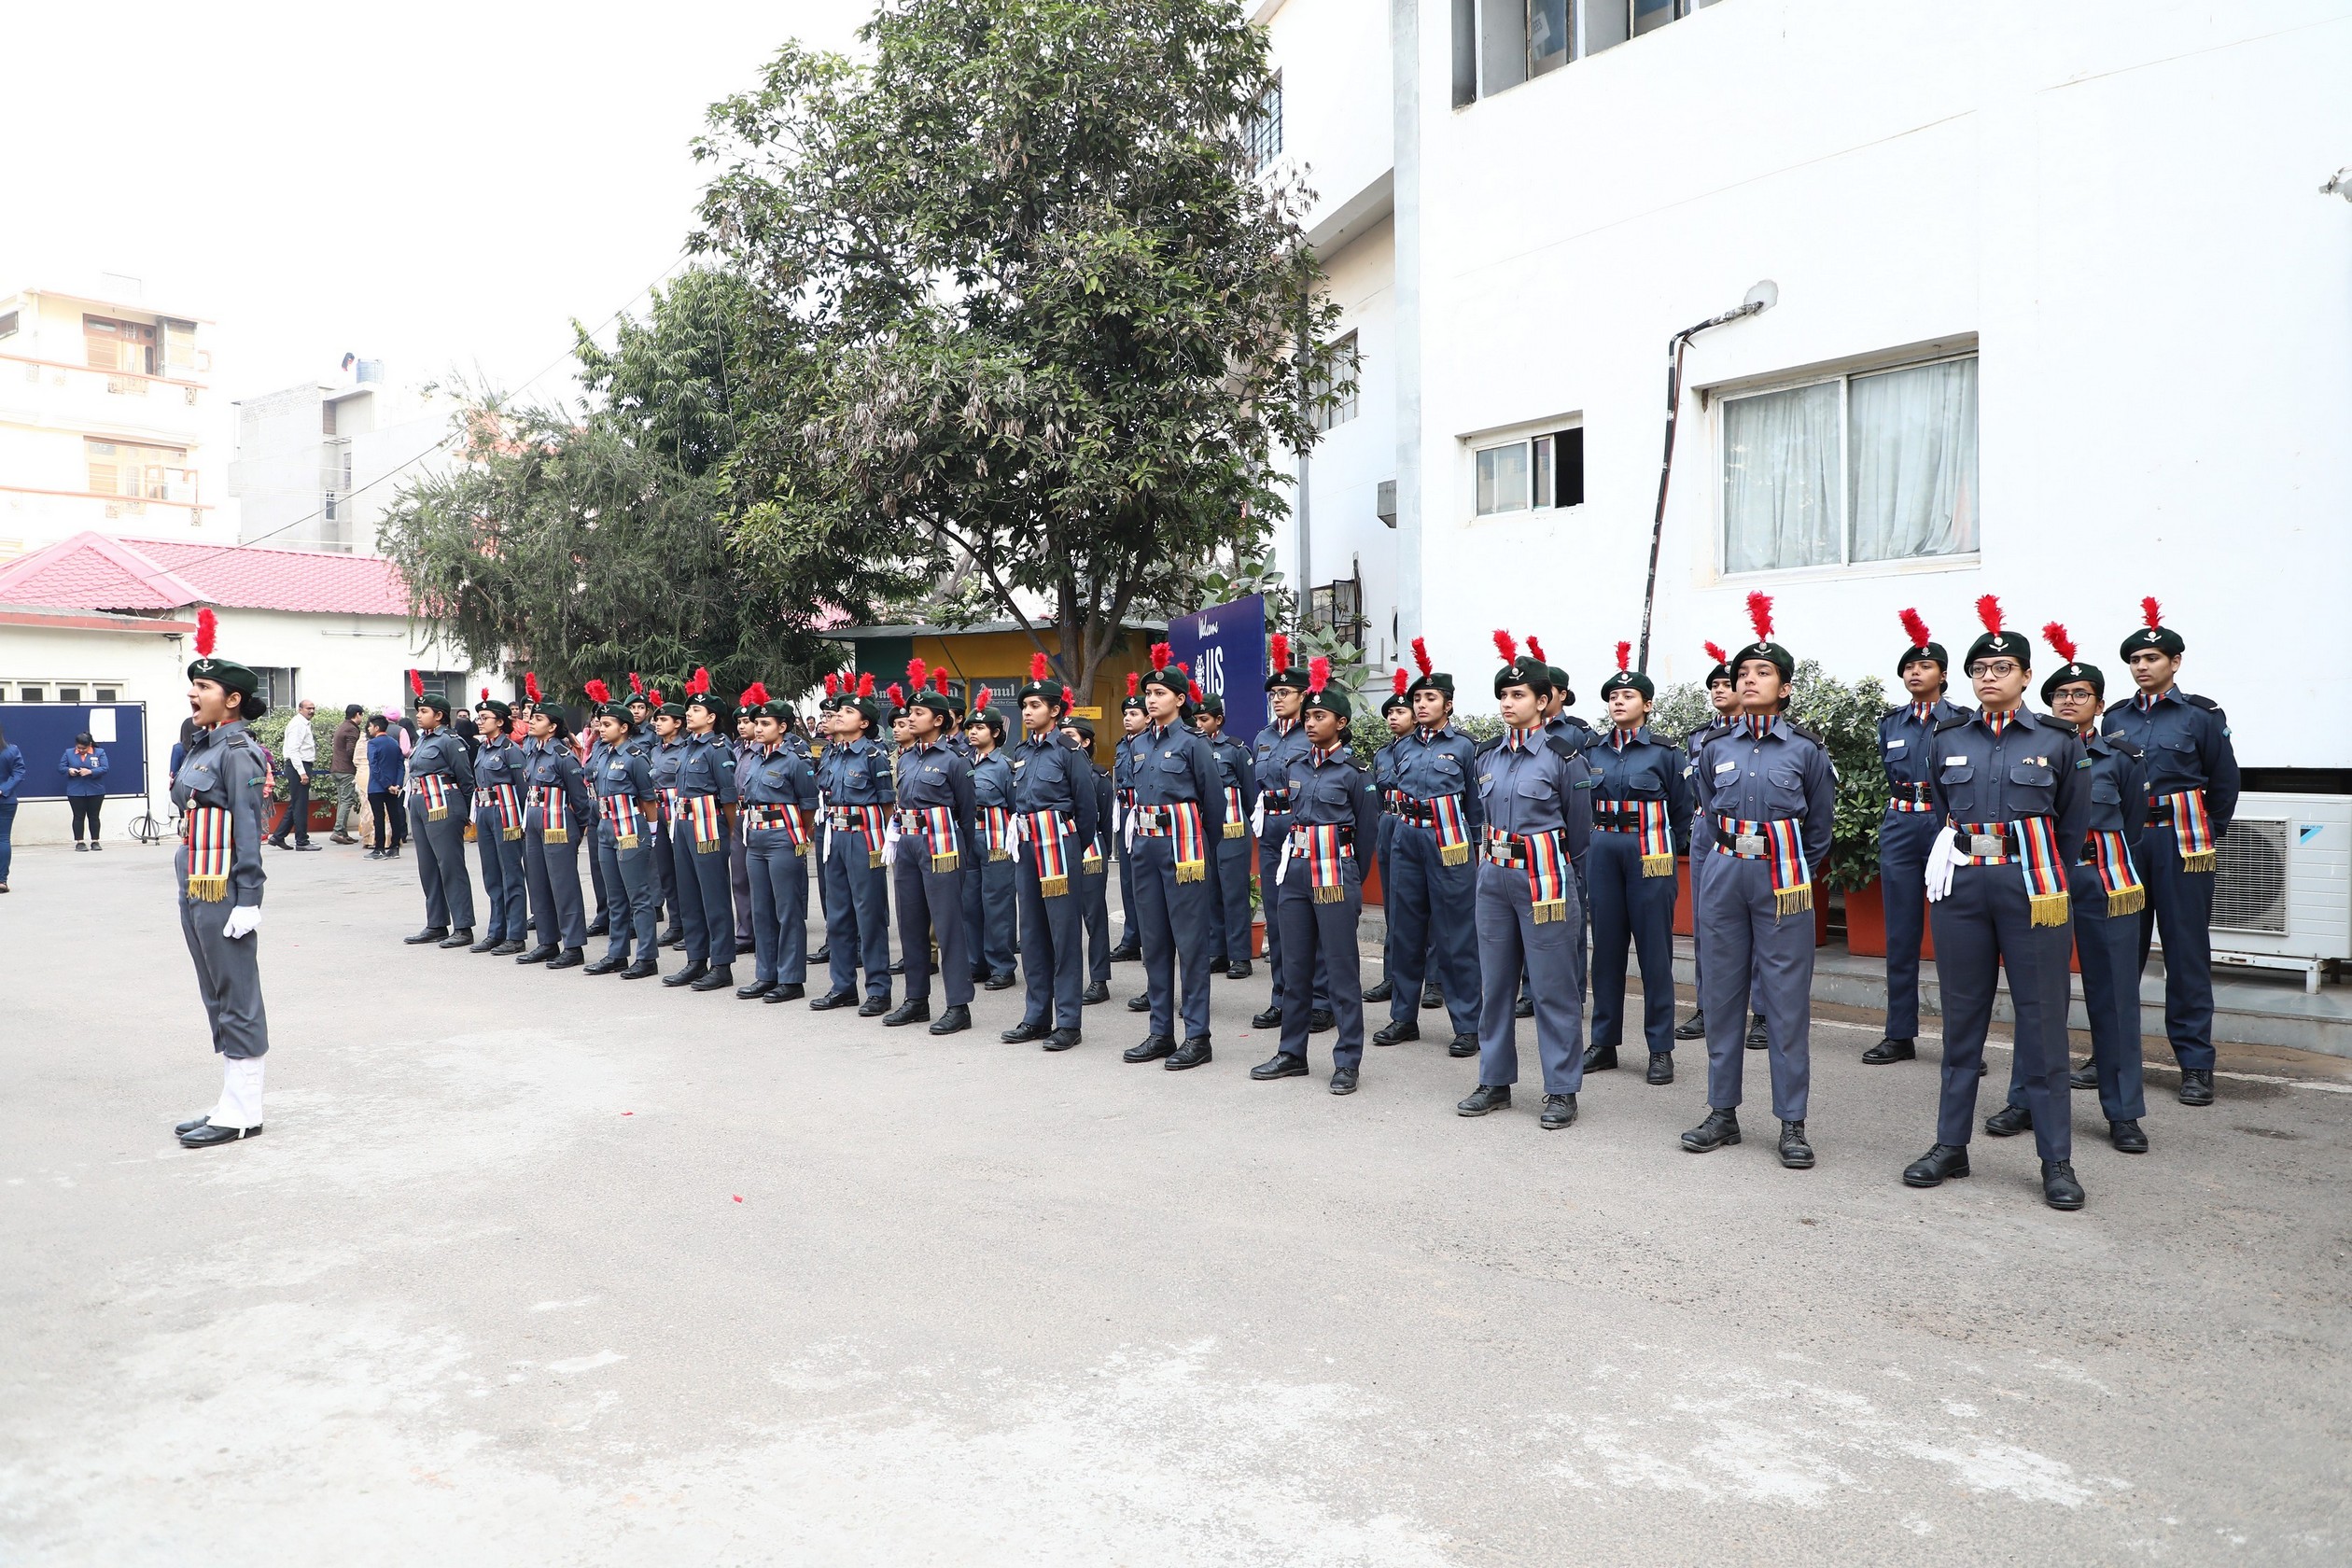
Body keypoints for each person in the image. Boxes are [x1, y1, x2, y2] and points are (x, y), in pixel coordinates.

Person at [1902, 597, 2091, 1211]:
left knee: (2043, 1022)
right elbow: (1943, 812)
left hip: (2031, 886)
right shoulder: (1948, 739)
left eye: (2002, 667)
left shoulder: (2058, 741)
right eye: (1979, 668)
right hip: (1963, 888)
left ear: (2027, 676)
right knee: (1961, 1020)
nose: (1989, 676)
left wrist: (2035, 868)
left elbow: (2072, 827)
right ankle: (1950, 1145)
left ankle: (2055, 1159)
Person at [1680, 595, 1837, 1168]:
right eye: (1743, 672)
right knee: (1721, 996)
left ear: (1785, 687)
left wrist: (1793, 868)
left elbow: (1820, 827)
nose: (1748, 680)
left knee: (1786, 1001)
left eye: (1762, 672)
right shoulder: (1713, 748)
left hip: (1783, 877)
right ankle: (1722, 1112)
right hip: (1725, 872)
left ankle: (1792, 1122)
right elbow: (1707, 811)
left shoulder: (1806, 750)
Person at [2102, 597, 2240, 1108]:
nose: (2142, 666)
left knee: (2186, 953)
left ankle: (2196, 1063)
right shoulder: (2115, 718)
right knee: (2120, 950)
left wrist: (2208, 832)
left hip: (2181, 843)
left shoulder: (2200, 715)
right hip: (2128, 843)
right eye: (2135, 660)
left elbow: (2224, 782)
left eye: (2152, 658)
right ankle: (2111, 1055)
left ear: (2175, 662)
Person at [2026, 625, 2151, 1153]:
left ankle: (2122, 1112)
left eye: (2081, 694)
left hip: (2104, 879)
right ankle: (2025, 1099)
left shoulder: (2122, 757)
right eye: (2060, 694)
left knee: (2115, 995)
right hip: (2047, 878)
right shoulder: (2034, 751)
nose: (2069, 701)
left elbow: (2135, 823)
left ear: (2100, 706)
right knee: (2039, 994)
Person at [1253, 658, 1382, 1094]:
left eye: (1319, 716)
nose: (1310, 722)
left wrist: (1348, 878)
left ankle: (1347, 1060)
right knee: (1295, 966)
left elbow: (1366, 838)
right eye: (1307, 715)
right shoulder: (1294, 766)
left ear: (1341, 723)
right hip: (1295, 871)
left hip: (1334, 872)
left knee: (1341, 969)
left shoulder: (1355, 774)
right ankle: (1292, 1053)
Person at [169, 609, 273, 1149]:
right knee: (215, 991)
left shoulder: (237, 752)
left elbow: (249, 828)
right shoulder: (203, 745)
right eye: (193, 685)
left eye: (204, 687)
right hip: (195, 881)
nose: (194, 693)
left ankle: (243, 1111)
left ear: (232, 698)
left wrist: (249, 897)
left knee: (236, 991)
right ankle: (235, 1100)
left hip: (224, 885)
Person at [1859, 610, 1974, 1066]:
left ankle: (1961, 1042)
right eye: (1908, 667)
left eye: (1925, 666)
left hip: (1946, 826)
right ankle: (1899, 1033)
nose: (1914, 672)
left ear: (1943, 675)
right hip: (1902, 824)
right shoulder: (1891, 723)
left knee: (1958, 935)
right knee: (1900, 932)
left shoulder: (1963, 721)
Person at [1582, 641, 1693, 1086]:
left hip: (1649, 853)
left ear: (1646, 704)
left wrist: (1667, 850)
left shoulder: (1665, 753)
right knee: (1606, 950)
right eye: (1613, 696)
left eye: (1628, 696)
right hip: (1603, 850)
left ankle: (1660, 1048)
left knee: (1654, 953)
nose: (1618, 702)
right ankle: (1604, 1042)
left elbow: (1683, 810)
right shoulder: (1592, 751)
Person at [1375, 640, 1484, 1061]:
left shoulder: (1465, 747)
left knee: (1456, 934)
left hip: (1449, 842)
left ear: (1448, 705)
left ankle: (1467, 1024)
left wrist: (1474, 849)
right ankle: (1403, 1017)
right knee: (1404, 930)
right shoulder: (1401, 747)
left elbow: (1475, 804)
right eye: (1417, 698)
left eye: (1430, 698)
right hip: (1407, 838)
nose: (1421, 705)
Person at [1120, 644, 1226, 1070]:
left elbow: (1214, 805)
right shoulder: (1139, 743)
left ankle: (1197, 1036)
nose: (1151, 699)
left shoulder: (1193, 743)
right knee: (1155, 943)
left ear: (1180, 700)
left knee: (1191, 944)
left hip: (1182, 850)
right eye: (1148, 693)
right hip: (1145, 848)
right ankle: (1160, 1032)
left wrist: (1200, 851)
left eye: (1160, 693)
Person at [1000, 659, 1099, 1050]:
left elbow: (1087, 808)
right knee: (1033, 933)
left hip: (1059, 847)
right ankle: (1037, 1017)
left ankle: (1069, 1022)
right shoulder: (1022, 750)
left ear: (1055, 711)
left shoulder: (1068, 750)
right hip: (1027, 848)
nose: (1027, 712)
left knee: (1063, 934)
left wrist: (1072, 846)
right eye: (1024, 706)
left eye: (1035, 705)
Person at [885, 661, 976, 1033]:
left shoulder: (954, 761)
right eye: (910, 712)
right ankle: (916, 999)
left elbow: (967, 814)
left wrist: (960, 856)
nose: (910, 717)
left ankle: (958, 1005)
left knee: (948, 925)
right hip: (907, 844)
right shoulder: (906, 759)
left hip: (941, 845)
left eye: (918, 713)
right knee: (910, 923)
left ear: (938, 720)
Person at [1251, 634, 1331, 1034]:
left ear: (1304, 696)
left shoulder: (1313, 733)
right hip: (1272, 831)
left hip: (1305, 829)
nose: (1277, 699)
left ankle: (1320, 1001)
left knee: (1314, 917)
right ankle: (1282, 997)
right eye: (1274, 694)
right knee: (1278, 917)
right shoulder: (1263, 737)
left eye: (1285, 693)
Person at [813, 674, 896, 1015]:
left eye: (847, 712)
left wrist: (886, 844)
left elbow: (887, 804)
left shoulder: (874, 755)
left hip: (865, 838)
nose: (838, 716)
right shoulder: (831, 754)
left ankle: (878, 989)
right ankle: (843, 986)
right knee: (838, 915)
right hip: (835, 836)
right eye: (838, 712)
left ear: (864, 723)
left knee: (869, 915)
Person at [1674, 643, 1741, 1043]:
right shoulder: (1699, 737)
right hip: (1706, 829)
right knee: (1706, 921)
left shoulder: (1762, 735)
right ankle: (1707, 1006)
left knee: (1757, 920)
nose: (1719, 690)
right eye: (1714, 685)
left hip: (1748, 831)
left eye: (1725, 684)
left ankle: (1761, 1012)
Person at [737, 686, 819, 1002]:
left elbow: (808, 804)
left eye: (765, 723)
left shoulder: (794, 761)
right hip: (755, 837)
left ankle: (791, 979)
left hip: (783, 838)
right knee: (761, 909)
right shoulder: (754, 758)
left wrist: (798, 835)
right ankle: (766, 974)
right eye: (756, 723)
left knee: (788, 910)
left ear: (783, 727)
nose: (758, 728)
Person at [662, 669, 741, 992]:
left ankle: (721, 965)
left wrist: (730, 834)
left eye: (696, 709)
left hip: (709, 824)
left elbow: (729, 797)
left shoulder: (718, 748)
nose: (689, 713)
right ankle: (696, 959)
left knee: (714, 895)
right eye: (689, 709)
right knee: (689, 894)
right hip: (683, 824)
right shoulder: (686, 747)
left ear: (711, 717)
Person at [581, 682, 663, 978]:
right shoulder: (602, 753)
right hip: (606, 827)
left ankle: (647, 957)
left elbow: (648, 799)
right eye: (600, 724)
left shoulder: (636, 756)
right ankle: (617, 954)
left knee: (638, 897)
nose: (601, 729)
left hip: (630, 827)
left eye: (607, 725)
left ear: (624, 727)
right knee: (615, 897)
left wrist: (651, 833)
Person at [517, 693, 595, 970]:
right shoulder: (532, 751)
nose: (531, 721)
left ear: (552, 726)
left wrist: (579, 830)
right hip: (534, 825)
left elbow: (580, 800)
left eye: (538, 718)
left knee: (564, 886)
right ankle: (547, 941)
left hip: (558, 826)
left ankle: (573, 946)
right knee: (538, 883)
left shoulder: (563, 756)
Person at [401, 676, 477, 948]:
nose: (418, 715)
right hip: (420, 803)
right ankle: (436, 923)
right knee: (428, 866)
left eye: (424, 711)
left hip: (443, 803)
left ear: (439, 715)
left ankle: (463, 927)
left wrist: (464, 813)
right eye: (418, 711)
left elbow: (466, 779)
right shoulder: (423, 740)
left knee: (450, 865)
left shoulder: (449, 740)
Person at [1197, 687, 1258, 984]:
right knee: (1211, 893)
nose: (1199, 725)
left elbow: (1249, 795)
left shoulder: (1235, 749)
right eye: (1196, 720)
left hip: (1232, 830)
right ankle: (1217, 951)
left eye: (1204, 719)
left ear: (1218, 720)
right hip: (1204, 833)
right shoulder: (1192, 749)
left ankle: (1241, 956)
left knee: (1234, 893)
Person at [961, 695, 1020, 991]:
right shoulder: (962, 762)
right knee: (969, 903)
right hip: (968, 836)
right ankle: (976, 963)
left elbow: (1016, 806)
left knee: (997, 903)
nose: (973, 732)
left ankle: (1002, 966)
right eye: (971, 727)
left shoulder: (1004, 767)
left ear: (996, 732)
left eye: (980, 727)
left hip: (996, 838)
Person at [1365, 672, 1413, 1005]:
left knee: (1424, 904)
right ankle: (1391, 976)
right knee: (1392, 906)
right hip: (1388, 823)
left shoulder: (1422, 749)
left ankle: (1434, 980)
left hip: (1414, 823)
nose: (1393, 717)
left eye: (1400, 712)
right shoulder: (1382, 754)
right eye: (1390, 713)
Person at [469, 693, 530, 956]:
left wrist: (523, 822)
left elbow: (523, 788)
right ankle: (496, 931)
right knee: (492, 874)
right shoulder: (483, 748)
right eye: (479, 717)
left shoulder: (510, 750)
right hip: (485, 811)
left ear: (500, 721)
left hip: (506, 814)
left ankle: (515, 935)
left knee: (511, 874)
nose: (480, 721)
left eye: (485, 717)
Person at [1063, 717, 1116, 1005]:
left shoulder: (1098, 779)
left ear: (1085, 742)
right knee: (1063, 918)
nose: (1063, 738)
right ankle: (1066, 977)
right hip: (1059, 851)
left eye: (1070, 735)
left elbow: (1104, 824)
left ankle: (1099, 980)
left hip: (1090, 853)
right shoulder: (1057, 771)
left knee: (1094, 917)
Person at [1108, 679, 1148, 963]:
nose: (1127, 718)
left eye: (1134, 713)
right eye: (1125, 714)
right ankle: (1132, 939)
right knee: (1127, 879)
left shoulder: (1151, 743)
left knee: (1147, 880)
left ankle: (1153, 940)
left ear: (1148, 718)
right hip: (1124, 812)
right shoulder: (1122, 745)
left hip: (1145, 812)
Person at [270, 699, 319, 850]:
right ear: (300, 709)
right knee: (300, 805)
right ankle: (302, 842)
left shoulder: (303, 724)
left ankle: (278, 836)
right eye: (308, 708)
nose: (311, 711)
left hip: (301, 765)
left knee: (297, 803)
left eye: (313, 708)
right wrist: (302, 772)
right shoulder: (298, 724)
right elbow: (293, 750)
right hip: (298, 765)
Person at [61, 731, 110, 850]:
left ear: (90, 745)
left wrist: (90, 771)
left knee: (94, 816)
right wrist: (69, 771)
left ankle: (95, 841)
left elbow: (105, 768)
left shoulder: (99, 752)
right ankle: (80, 842)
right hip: (75, 791)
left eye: (84, 748)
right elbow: (61, 767)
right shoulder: (68, 752)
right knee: (78, 816)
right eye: (79, 748)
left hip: (95, 790)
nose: (81, 750)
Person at [365, 717, 404, 857]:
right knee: (394, 816)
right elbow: (400, 765)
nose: (368, 729)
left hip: (377, 786)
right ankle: (395, 847)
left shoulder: (372, 743)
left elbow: (374, 766)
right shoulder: (394, 743)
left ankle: (379, 848)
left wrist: (386, 784)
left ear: (376, 728)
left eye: (370, 726)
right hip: (393, 786)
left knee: (379, 817)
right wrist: (397, 784)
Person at [327, 704, 364, 844]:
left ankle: (342, 832)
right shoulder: (351, 729)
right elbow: (351, 751)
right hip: (346, 770)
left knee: (342, 801)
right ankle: (338, 831)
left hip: (337, 769)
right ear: (358, 714)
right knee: (347, 801)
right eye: (361, 715)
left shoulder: (343, 726)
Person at [0, 720, 21, 892]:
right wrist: (3, 789)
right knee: (3, 839)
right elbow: (19, 773)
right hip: (6, 800)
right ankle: (2, 880)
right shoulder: (11, 750)